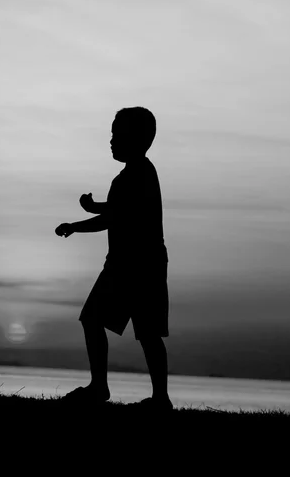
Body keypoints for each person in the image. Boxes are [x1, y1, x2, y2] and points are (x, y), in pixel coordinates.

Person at [55, 106, 172, 411]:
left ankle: (118, 391)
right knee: (135, 329)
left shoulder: (140, 174)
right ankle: (134, 393)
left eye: (116, 135)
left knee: (137, 329)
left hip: (137, 264)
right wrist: (91, 212)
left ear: (136, 138)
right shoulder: (132, 175)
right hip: (129, 263)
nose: (110, 140)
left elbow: (116, 214)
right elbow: (116, 212)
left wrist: (78, 223)